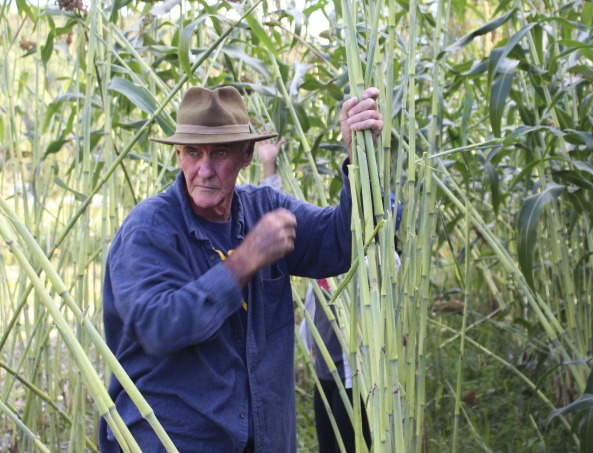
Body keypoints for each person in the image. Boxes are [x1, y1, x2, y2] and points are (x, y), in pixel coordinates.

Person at [99, 85, 383, 453]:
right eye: (192, 152)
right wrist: (244, 261)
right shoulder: (148, 230)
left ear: (247, 154)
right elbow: (158, 325)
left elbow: (339, 242)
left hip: (263, 439)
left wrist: (360, 156)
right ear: (177, 155)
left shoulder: (265, 209)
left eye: (219, 152)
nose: (204, 169)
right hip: (172, 441)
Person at [258, 138, 370, 453]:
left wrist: (359, 155)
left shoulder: (369, 259)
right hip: (325, 367)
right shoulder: (319, 256)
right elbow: (274, 219)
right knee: (328, 442)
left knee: (352, 441)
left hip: (355, 373)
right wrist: (268, 165)